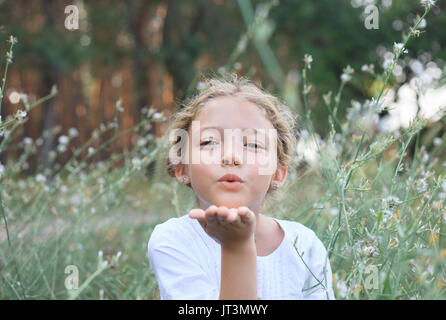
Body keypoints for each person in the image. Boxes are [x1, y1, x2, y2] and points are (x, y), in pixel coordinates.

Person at [147, 73, 335, 300]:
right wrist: (237, 247)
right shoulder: (173, 241)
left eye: (253, 144)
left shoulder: (305, 246)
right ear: (182, 168)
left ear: (278, 173)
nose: (231, 157)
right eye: (209, 142)